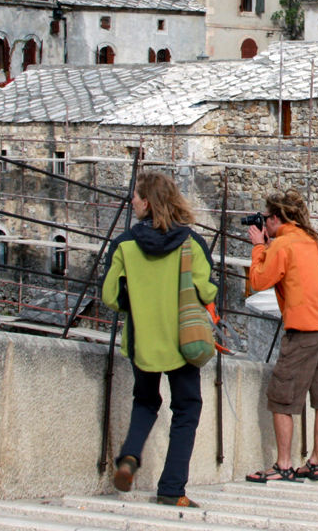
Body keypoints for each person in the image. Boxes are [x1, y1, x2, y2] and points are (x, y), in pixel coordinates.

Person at [102, 171, 217, 507]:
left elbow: (110, 296)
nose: (132, 203)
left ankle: (129, 458)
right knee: (186, 408)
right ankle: (171, 488)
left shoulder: (124, 244)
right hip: (182, 340)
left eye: (134, 198)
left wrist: (136, 300)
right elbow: (207, 289)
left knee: (146, 400)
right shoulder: (191, 242)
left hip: (143, 340)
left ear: (147, 202)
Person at [245, 189, 318, 483]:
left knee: (281, 398)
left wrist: (259, 246)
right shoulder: (314, 240)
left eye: (265, 219)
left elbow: (258, 280)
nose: (264, 223)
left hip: (302, 330)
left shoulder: (283, 244)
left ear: (275, 218)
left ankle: (284, 464)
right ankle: (315, 462)